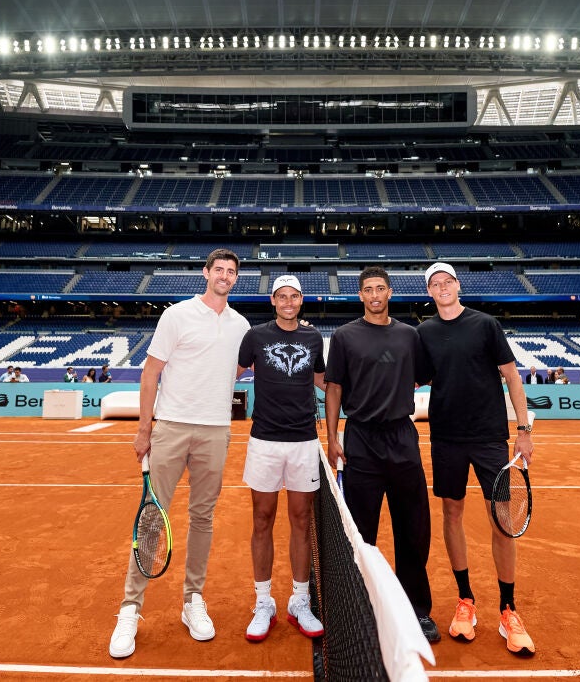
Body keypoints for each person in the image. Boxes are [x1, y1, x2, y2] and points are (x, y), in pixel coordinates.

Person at [109, 249, 250, 659]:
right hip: (171, 427)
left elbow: (233, 370)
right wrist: (144, 429)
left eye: (231, 272)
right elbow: (151, 372)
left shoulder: (241, 325)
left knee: (203, 518)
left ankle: (193, 601)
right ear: (206, 273)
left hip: (216, 432)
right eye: (218, 270)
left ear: (236, 279)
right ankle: (130, 609)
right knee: (154, 516)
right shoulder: (176, 315)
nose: (224, 276)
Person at [416, 262, 536, 655]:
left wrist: (524, 431)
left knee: (501, 518)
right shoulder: (425, 332)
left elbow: (512, 376)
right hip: (446, 438)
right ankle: (465, 600)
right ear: (430, 292)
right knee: (451, 513)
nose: (442, 287)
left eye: (447, 280)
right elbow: (410, 378)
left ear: (457, 285)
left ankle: (508, 608)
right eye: (435, 283)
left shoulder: (486, 325)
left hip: (488, 438)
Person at [324, 266, 439, 643]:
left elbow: (421, 375)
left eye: (380, 288)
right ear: (360, 295)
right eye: (368, 289)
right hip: (361, 439)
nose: (374, 295)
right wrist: (332, 437)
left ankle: (416, 610)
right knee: (361, 531)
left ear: (389, 292)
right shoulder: (344, 336)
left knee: (413, 529)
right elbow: (335, 389)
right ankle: (361, 607)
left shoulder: (410, 335)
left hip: (402, 437)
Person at [237, 274, 327, 642]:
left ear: (301, 301)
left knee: (302, 519)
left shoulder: (313, 337)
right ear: (273, 301)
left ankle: (300, 601)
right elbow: (232, 371)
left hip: (304, 440)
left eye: (294, 297)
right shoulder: (255, 336)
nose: (288, 302)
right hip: (264, 441)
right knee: (262, 519)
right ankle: (264, 602)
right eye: (282, 297)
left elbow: (324, 380)